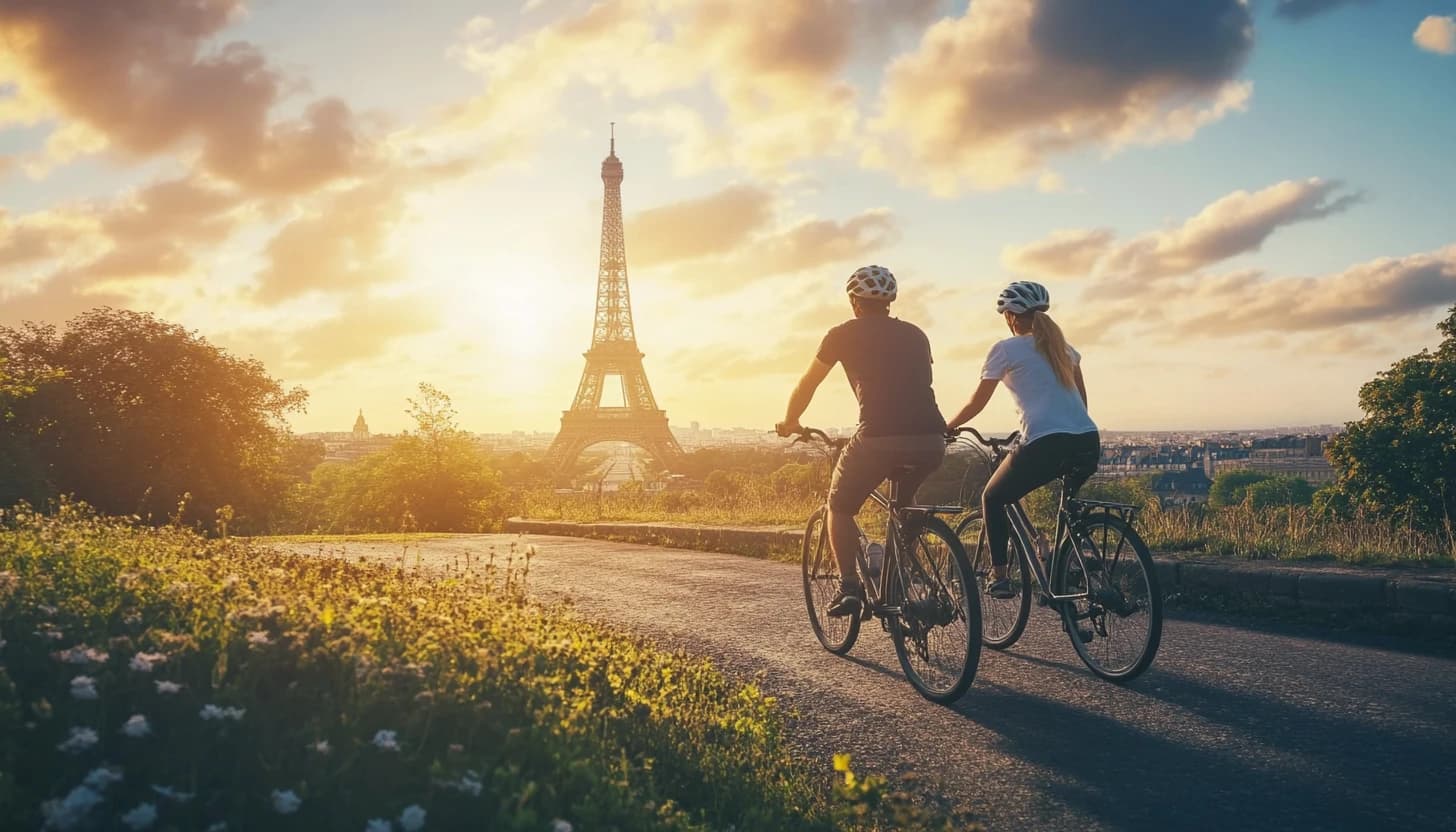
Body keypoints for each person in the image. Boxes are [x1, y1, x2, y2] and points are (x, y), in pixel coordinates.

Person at [776, 265, 948, 618]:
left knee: (839, 507)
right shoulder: (916, 334)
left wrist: (790, 420)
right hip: (932, 438)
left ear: (854, 302)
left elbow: (807, 384)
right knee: (906, 505)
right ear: (890, 301)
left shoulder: (841, 334)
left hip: (879, 435)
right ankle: (901, 575)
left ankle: (849, 587)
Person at [945, 281, 1100, 600]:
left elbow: (977, 401)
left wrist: (947, 427)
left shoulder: (1005, 349)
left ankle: (999, 577)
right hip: (1086, 439)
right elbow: (1081, 402)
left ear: (1011, 317)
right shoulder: (1065, 349)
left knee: (992, 498)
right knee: (1067, 510)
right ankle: (1068, 567)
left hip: (1045, 443)